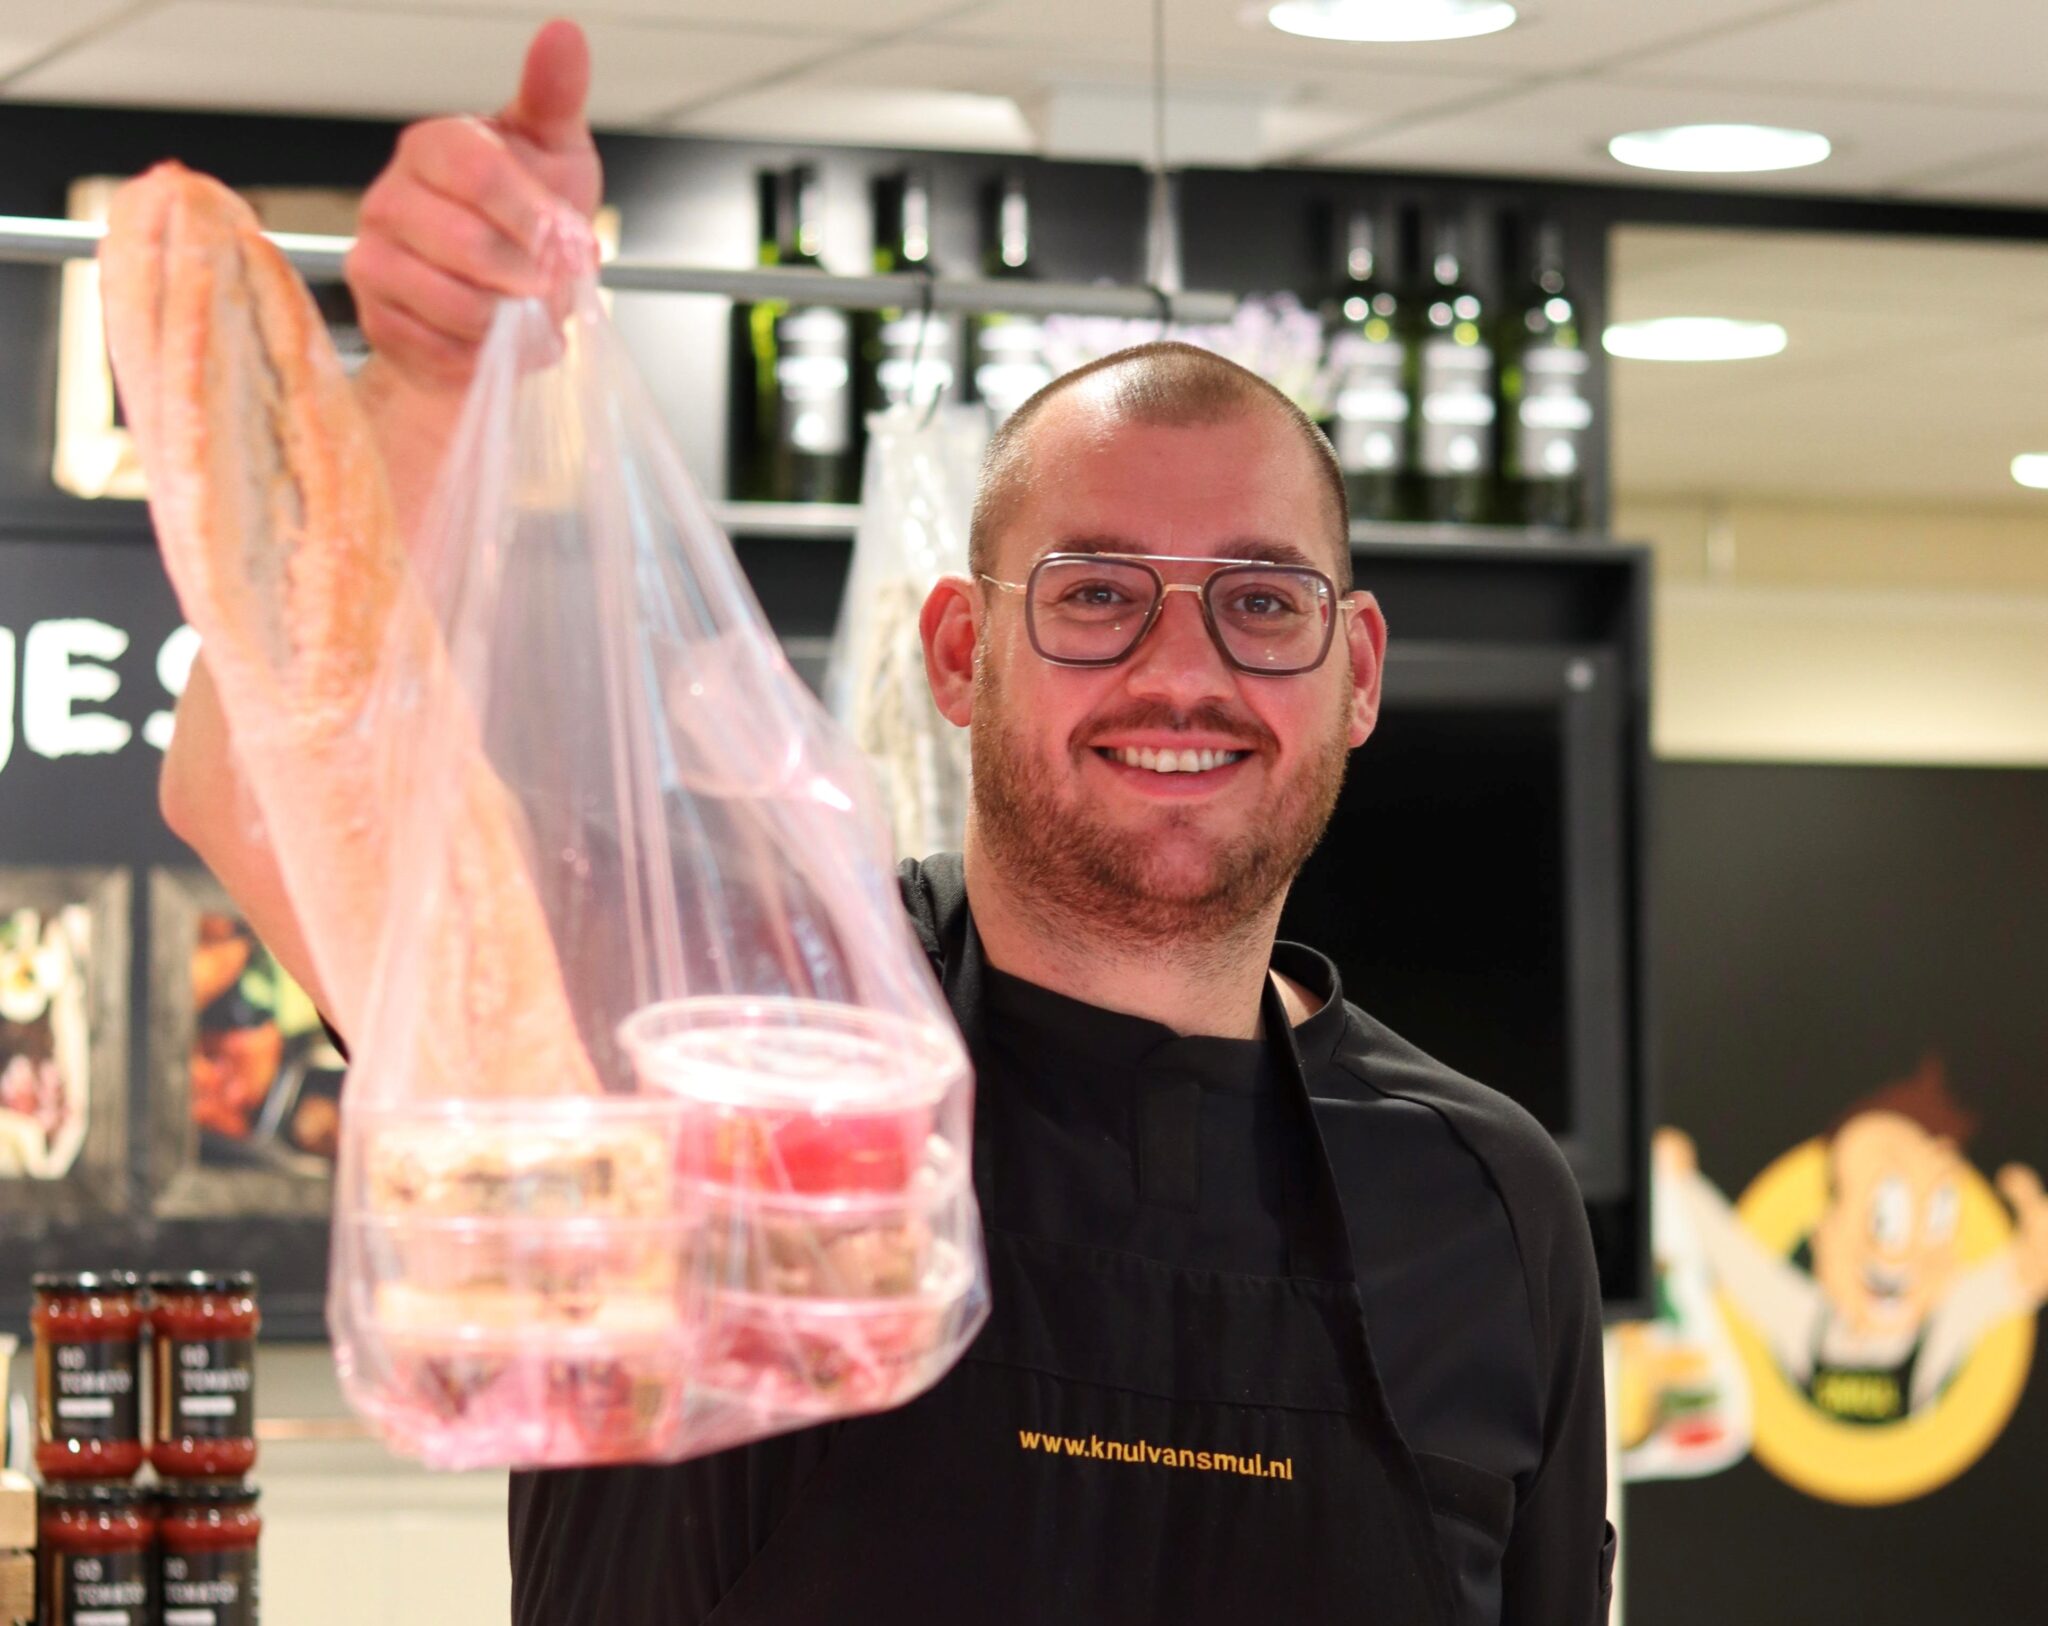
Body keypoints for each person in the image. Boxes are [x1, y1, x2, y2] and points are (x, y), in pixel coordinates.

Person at [159, 20, 1614, 1625]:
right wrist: (437, 389)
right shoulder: (719, 1033)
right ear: (958, 653)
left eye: (1263, 603)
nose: (1183, 671)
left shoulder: (1488, 1202)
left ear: (1358, 671)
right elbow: (262, 789)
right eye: (1096, 594)